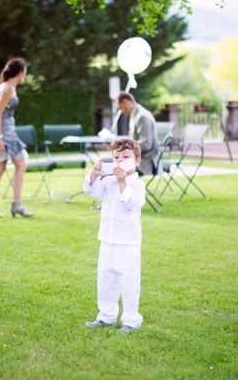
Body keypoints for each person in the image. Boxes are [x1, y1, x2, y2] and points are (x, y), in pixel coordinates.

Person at [83, 138, 146, 332]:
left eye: (125, 157)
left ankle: (131, 320)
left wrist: (122, 183)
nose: (119, 161)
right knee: (106, 280)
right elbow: (92, 192)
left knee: (129, 281)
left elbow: (132, 204)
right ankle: (106, 316)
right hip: (108, 239)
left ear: (137, 160)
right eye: (116, 158)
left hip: (128, 242)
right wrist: (93, 176)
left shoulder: (137, 184)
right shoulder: (108, 180)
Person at [0, 57, 34, 218]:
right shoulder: (8, 89)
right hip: (4, 133)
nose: (25, 74)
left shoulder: (5, 87)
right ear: (20, 72)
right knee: (21, 164)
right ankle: (16, 205)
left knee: (1, 167)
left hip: (5, 131)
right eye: (25, 71)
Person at [116, 92, 158, 175]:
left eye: (120, 108)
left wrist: (125, 148)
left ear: (126, 102)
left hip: (145, 160)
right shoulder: (136, 115)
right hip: (136, 158)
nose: (122, 111)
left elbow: (146, 144)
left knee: (113, 168)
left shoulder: (142, 117)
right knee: (111, 165)